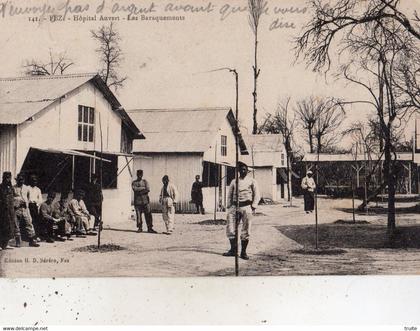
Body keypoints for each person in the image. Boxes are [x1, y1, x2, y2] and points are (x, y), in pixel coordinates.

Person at [223, 161, 260, 260]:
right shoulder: (234, 181)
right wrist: (229, 206)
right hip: (234, 207)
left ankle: (243, 252)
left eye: (244, 169)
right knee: (231, 228)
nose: (242, 171)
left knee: (246, 230)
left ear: (247, 171)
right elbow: (230, 195)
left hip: (246, 207)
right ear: (238, 171)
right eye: (241, 169)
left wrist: (253, 206)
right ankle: (233, 250)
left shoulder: (252, 181)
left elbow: (257, 194)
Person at [13, 173, 39, 247]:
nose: (21, 181)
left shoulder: (26, 188)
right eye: (20, 179)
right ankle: (18, 241)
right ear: (17, 180)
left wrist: (26, 204)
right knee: (16, 225)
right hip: (16, 209)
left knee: (29, 223)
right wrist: (17, 203)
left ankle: (32, 241)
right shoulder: (13, 188)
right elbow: (12, 199)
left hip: (25, 209)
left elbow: (28, 197)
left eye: (22, 180)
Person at [0, 172, 16, 250]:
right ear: (3, 178)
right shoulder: (1, 187)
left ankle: (5, 244)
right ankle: (0, 244)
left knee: (9, 227)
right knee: (2, 226)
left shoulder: (11, 188)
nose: (8, 179)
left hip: (10, 210)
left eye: (9, 177)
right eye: (6, 177)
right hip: (2, 210)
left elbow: (14, 197)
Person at [27, 174, 43, 241]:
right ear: (30, 181)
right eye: (33, 181)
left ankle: (36, 235)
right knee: (30, 221)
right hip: (29, 206)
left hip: (35, 206)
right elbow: (26, 198)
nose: (34, 182)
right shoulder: (27, 188)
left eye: (35, 181)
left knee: (36, 221)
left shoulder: (38, 189)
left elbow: (40, 200)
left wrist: (37, 204)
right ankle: (31, 236)